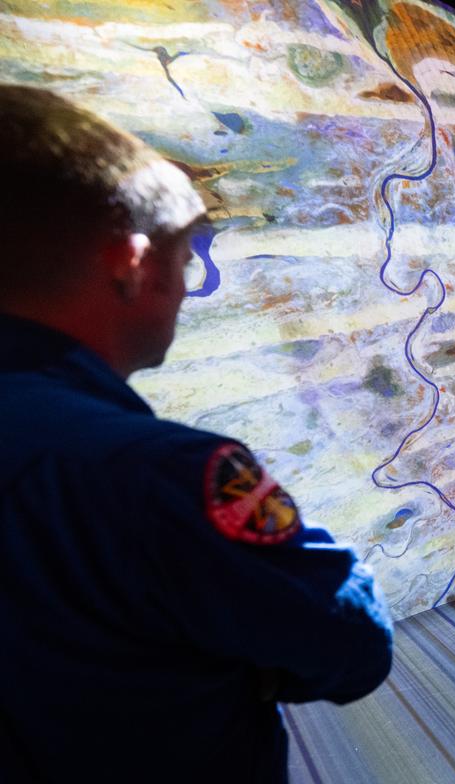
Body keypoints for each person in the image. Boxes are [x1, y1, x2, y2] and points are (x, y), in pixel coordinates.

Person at [0, 86, 393, 781]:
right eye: (185, 260)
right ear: (130, 262)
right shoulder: (165, 476)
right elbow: (350, 644)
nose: (187, 288)